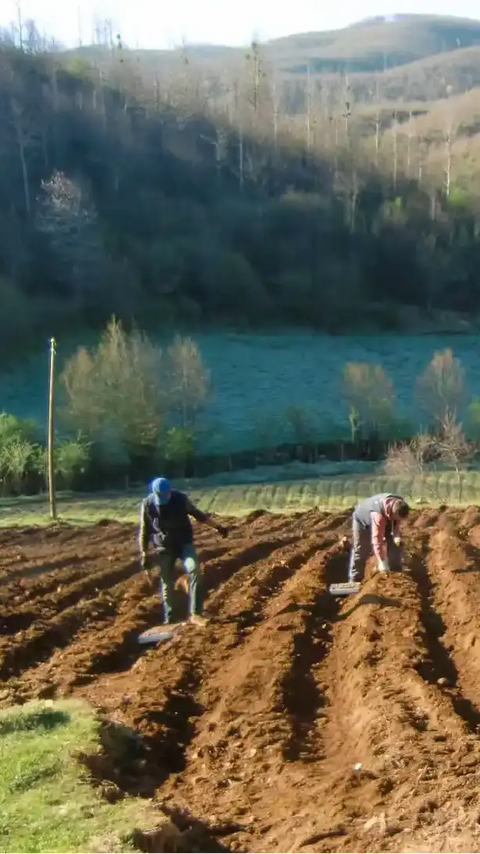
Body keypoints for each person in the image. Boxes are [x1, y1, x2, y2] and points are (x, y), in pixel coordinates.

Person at [139, 477, 229, 627]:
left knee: (194, 570)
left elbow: (200, 516)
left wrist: (218, 527)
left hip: (184, 543)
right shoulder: (147, 504)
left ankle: (196, 614)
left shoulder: (181, 499)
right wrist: (144, 553)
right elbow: (144, 530)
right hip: (164, 547)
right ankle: (170, 618)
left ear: (170, 492)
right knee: (166, 581)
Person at [348, 493, 410, 583]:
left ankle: (395, 571)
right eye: (396, 518)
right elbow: (377, 541)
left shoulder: (399, 504)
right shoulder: (378, 517)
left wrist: (396, 536)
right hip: (362, 522)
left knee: (395, 545)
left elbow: (397, 521)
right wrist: (382, 562)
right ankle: (355, 579)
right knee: (361, 550)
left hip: (387, 516)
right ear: (393, 513)